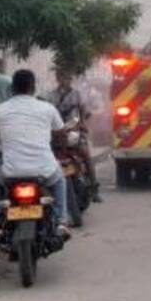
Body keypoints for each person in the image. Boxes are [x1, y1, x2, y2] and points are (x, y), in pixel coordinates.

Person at [0, 69, 69, 237]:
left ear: (12, 88)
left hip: (10, 173)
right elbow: (61, 135)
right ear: (33, 87)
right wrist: (60, 151)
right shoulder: (47, 108)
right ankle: (61, 220)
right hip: (44, 171)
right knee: (60, 179)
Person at [43, 68, 102, 202]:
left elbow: (84, 110)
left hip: (73, 130)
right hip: (56, 132)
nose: (64, 81)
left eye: (66, 78)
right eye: (61, 77)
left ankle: (94, 188)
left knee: (85, 154)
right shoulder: (50, 96)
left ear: (70, 79)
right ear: (57, 79)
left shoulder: (77, 94)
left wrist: (82, 123)